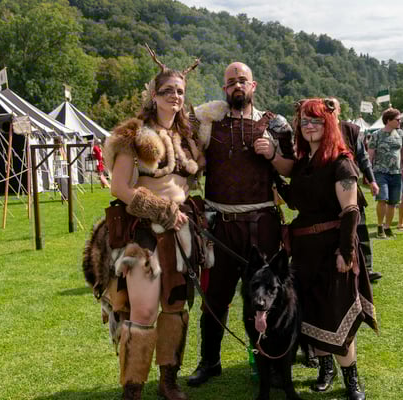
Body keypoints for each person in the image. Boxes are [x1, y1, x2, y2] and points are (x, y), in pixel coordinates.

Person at [102, 46, 202, 400]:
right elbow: (119, 187)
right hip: (142, 231)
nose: (175, 96)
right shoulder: (134, 134)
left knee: (174, 307)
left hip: (181, 231)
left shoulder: (188, 139)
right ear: (153, 96)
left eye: (180, 91)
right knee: (143, 310)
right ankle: (133, 388)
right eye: (167, 90)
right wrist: (160, 209)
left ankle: (168, 380)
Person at [188, 62, 294, 386]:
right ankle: (210, 361)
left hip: (262, 225)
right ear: (224, 88)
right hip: (220, 228)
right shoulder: (208, 125)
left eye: (242, 80)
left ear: (253, 85)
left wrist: (273, 154)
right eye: (231, 81)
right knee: (214, 298)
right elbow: (184, 141)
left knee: (267, 296)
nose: (237, 85)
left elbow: (290, 169)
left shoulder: (275, 124)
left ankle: (269, 361)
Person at [289, 98, 378, 399]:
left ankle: (351, 378)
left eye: (315, 120)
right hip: (304, 252)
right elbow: (296, 200)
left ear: (328, 124)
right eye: (304, 121)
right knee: (312, 313)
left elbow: (351, 211)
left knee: (337, 314)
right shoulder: (303, 163)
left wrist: (346, 252)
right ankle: (325, 369)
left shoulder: (341, 162)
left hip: (333, 251)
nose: (309, 126)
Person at [331, 98, 382, 282]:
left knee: (359, 228)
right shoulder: (318, 129)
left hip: (351, 188)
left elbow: (363, 158)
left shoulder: (350, 130)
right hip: (328, 191)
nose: (329, 110)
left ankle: (367, 268)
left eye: (333, 107)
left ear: (339, 110)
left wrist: (372, 180)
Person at [368, 108, 403, 239]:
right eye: (397, 119)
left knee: (393, 202)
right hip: (380, 172)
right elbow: (370, 156)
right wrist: (368, 175)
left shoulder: (400, 133)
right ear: (388, 120)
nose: (400, 121)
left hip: (396, 173)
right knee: (382, 199)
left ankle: (387, 227)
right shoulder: (376, 135)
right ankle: (380, 226)